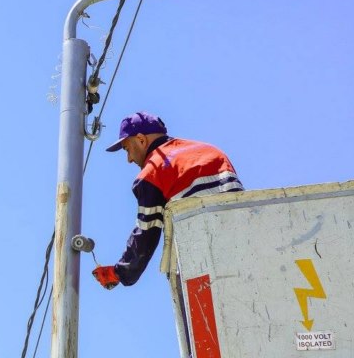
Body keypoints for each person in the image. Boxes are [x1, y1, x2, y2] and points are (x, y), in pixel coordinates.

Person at [92, 111, 243, 290]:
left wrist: (119, 273)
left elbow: (146, 235)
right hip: (242, 248)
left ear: (141, 140)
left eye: (127, 149)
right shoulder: (212, 151)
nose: (129, 159)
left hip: (200, 265)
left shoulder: (151, 173)